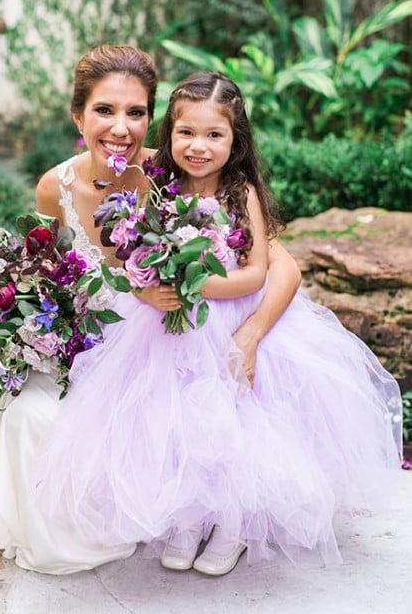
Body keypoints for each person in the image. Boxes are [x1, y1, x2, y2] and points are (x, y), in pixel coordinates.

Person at [0, 47, 302, 575]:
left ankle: (218, 517)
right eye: (104, 110)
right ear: (77, 116)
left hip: (159, 331)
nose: (120, 127)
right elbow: (52, 271)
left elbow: (275, 265)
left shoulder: (170, 174)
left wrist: (247, 331)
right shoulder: (54, 186)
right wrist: (14, 327)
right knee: (21, 410)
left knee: (203, 405)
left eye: (135, 113)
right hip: (93, 336)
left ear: (150, 121)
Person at [33, 71, 403, 577]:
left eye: (214, 135)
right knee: (182, 416)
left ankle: (235, 523)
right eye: (186, 133)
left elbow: (256, 274)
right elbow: (132, 252)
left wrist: (196, 284)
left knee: (237, 417)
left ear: (236, 140)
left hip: (226, 315)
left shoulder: (238, 192)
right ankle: (188, 516)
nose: (199, 146)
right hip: (166, 323)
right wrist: (148, 280)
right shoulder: (155, 185)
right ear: (169, 134)